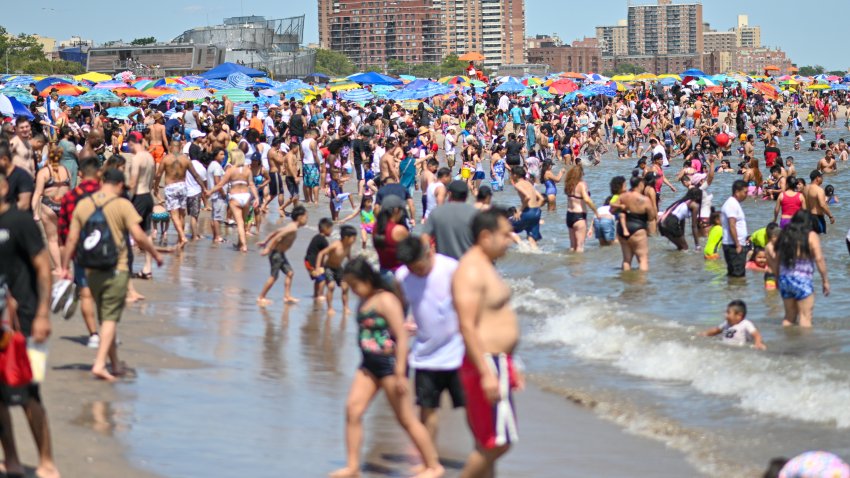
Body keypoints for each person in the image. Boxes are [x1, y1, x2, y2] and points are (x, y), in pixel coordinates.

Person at [330, 257, 445, 478]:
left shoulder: (386, 300)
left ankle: (433, 466)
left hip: (390, 365)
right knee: (352, 410)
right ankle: (353, 467)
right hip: (368, 365)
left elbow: (401, 337)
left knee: (406, 419)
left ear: (366, 279)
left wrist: (401, 373)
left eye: (355, 285)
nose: (353, 291)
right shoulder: (364, 300)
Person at [61, 168, 163, 382]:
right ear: (118, 185)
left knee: (106, 316)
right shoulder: (122, 204)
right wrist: (155, 254)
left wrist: (64, 267)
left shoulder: (84, 204)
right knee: (110, 319)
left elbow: (72, 239)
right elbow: (139, 236)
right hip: (117, 268)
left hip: (91, 269)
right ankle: (99, 364)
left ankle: (115, 364)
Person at [0, 171, 61, 478]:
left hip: (26, 319)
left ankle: (46, 462)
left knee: (28, 393)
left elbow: (43, 268)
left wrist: (41, 314)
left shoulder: (20, 222)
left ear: (3, 186)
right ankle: (10, 458)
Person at [453, 208, 521, 478]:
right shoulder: (470, 271)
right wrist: (487, 373)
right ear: (485, 236)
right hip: (486, 362)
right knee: (499, 442)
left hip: (496, 362)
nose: (510, 239)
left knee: (487, 441)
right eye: (504, 234)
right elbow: (466, 325)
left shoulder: (485, 266)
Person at [395, 236, 465, 444]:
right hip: (425, 356)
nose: (417, 273)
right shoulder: (402, 276)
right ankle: (429, 461)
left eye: (419, 267)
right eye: (412, 269)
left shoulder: (451, 268)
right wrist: (406, 322)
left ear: (429, 253)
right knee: (427, 410)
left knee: (471, 409)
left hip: (458, 353)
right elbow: (400, 309)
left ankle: (481, 457)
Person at [57, 156, 102, 346]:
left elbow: (63, 233)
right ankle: (108, 332)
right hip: (106, 252)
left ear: (81, 174)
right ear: (99, 174)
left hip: (81, 252)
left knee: (86, 294)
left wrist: (64, 265)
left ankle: (93, 335)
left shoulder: (70, 197)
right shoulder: (108, 195)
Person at [769, 211, 829, 327]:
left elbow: (777, 258)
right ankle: (804, 345)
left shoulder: (784, 234)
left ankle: (786, 343)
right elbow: (819, 258)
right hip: (802, 280)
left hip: (785, 279)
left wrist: (777, 278)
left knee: (789, 317)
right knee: (805, 317)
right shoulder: (811, 235)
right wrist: (825, 281)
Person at [206, 150, 259, 252]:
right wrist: (256, 198)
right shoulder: (247, 170)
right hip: (246, 196)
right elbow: (251, 184)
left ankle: (243, 245)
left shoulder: (231, 170)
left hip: (235, 197)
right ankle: (240, 243)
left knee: (239, 222)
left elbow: (220, 184)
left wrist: (210, 191)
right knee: (243, 222)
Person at [256, 205, 308, 307]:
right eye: (306, 217)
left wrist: (265, 241)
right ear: (300, 217)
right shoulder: (292, 228)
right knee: (273, 277)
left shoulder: (292, 226)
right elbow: (278, 237)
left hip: (280, 254)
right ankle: (261, 297)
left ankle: (287, 296)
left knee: (290, 273)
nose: (306, 220)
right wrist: (267, 248)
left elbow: (276, 232)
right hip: (276, 254)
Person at [31, 146, 71, 271]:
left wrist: (31, 212)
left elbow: (37, 193)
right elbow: (69, 191)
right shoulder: (66, 170)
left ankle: (58, 268)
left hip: (48, 205)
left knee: (52, 240)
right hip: (64, 205)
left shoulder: (44, 172)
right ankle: (65, 267)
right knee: (62, 240)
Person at [421, 180, 476, 260]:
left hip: (444, 263)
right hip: (467, 263)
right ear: (466, 195)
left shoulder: (437, 213)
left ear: (449, 194)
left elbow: (424, 237)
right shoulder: (475, 213)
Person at [613, 175, 656, 271]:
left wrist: (624, 208)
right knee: (642, 259)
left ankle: (626, 283)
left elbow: (612, 209)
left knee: (626, 260)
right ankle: (641, 283)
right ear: (640, 184)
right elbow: (651, 217)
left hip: (622, 229)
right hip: (638, 229)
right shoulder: (644, 199)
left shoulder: (622, 196)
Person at [314, 225, 356, 316]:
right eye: (353, 238)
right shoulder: (335, 245)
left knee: (345, 287)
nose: (355, 240)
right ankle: (330, 308)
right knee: (331, 286)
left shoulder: (348, 246)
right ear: (345, 237)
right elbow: (321, 253)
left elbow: (349, 258)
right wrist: (318, 268)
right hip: (328, 267)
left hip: (339, 268)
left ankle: (345, 308)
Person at [700, 300, 766, 350]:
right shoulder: (726, 323)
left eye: (728, 313)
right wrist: (705, 333)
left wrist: (758, 343)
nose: (725, 315)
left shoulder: (745, 324)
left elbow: (756, 334)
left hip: (740, 348)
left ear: (739, 315)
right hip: (725, 347)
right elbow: (716, 330)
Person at [564, 162, 598, 252]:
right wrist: (596, 212)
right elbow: (587, 200)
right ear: (581, 174)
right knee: (580, 246)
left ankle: (570, 265)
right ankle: (579, 266)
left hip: (569, 216)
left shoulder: (568, 185)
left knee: (572, 246)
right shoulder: (582, 184)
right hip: (579, 216)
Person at [510, 166, 544, 248]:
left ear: (515, 175)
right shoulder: (529, 183)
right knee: (531, 237)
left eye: (511, 174)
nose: (510, 176)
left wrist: (520, 211)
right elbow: (541, 199)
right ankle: (535, 252)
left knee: (506, 227)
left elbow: (527, 197)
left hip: (529, 211)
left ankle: (522, 245)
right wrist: (535, 210)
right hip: (536, 212)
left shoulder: (518, 185)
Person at [721, 180, 749, 278]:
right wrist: (737, 244)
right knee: (738, 276)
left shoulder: (734, 203)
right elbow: (731, 225)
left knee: (734, 276)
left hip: (736, 244)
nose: (746, 195)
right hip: (733, 245)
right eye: (745, 192)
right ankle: (737, 292)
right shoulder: (731, 204)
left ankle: (733, 292)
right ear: (737, 192)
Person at [0, 141, 34, 211]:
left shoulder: (22, 176)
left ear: (5, 159)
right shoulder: (2, 176)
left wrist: (3, 210)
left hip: (18, 219)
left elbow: (24, 204)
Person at [305, 218, 333, 300]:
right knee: (322, 279)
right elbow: (328, 253)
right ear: (325, 229)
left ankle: (316, 294)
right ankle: (320, 295)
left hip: (308, 261)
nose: (331, 231)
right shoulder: (323, 240)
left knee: (318, 278)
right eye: (330, 229)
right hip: (312, 263)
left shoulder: (317, 237)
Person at [805, 170, 835, 234]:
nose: (822, 179)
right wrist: (830, 216)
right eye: (821, 177)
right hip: (817, 218)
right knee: (819, 239)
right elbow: (822, 205)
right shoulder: (819, 190)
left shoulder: (805, 188)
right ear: (817, 178)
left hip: (807, 217)